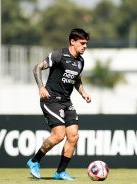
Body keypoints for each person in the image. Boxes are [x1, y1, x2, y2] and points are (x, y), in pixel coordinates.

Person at [26, 28, 91, 180]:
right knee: (59, 135)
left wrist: (83, 93)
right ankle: (34, 161)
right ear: (72, 41)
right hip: (51, 99)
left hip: (66, 101)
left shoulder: (80, 61)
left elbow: (77, 79)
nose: (85, 46)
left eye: (86, 43)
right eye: (82, 43)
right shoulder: (59, 55)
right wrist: (41, 87)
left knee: (73, 136)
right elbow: (37, 68)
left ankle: (60, 172)